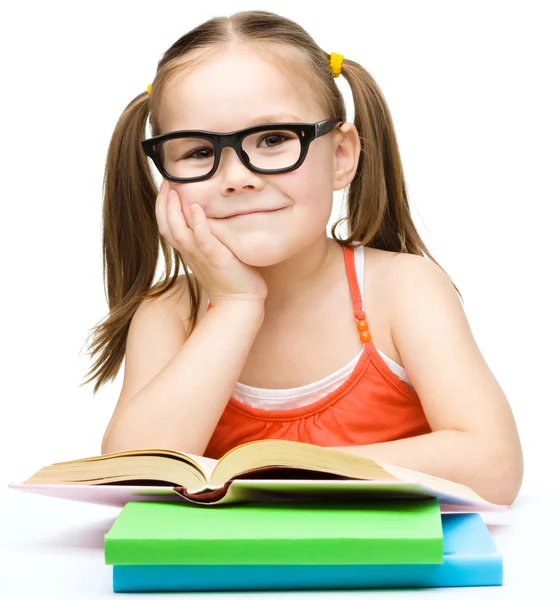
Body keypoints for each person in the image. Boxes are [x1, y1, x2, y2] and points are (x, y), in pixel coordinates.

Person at [83, 10, 523, 505]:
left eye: (272, 140)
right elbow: (134, 476)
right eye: (199, 152)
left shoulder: (402, 290)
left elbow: (494, 465)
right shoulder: (172, 313)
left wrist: (292, 473)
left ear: (341, 156)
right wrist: (234, 304)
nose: (235, 177)